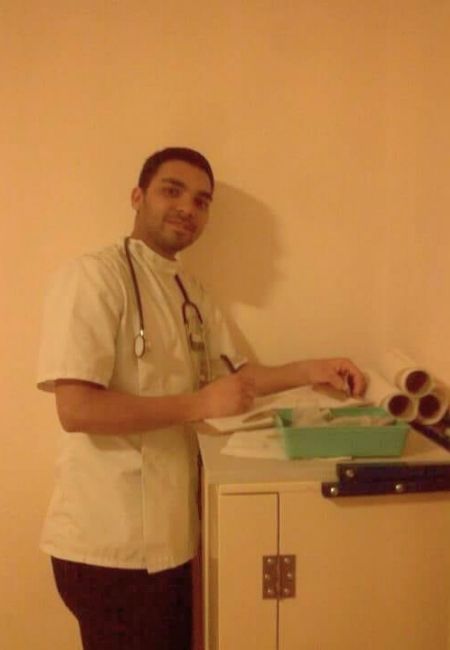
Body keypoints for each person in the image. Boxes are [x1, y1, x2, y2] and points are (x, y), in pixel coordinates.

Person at [37, 147, 366, 650]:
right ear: (137, 196)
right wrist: (198, 404)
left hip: (173, 538)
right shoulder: (94, 277)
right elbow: (76, 408)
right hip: (105, 544)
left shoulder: (191, 291)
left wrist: (312, 370)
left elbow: (237, 378)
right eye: (172, 191)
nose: (188, 208)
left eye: (201, 200)